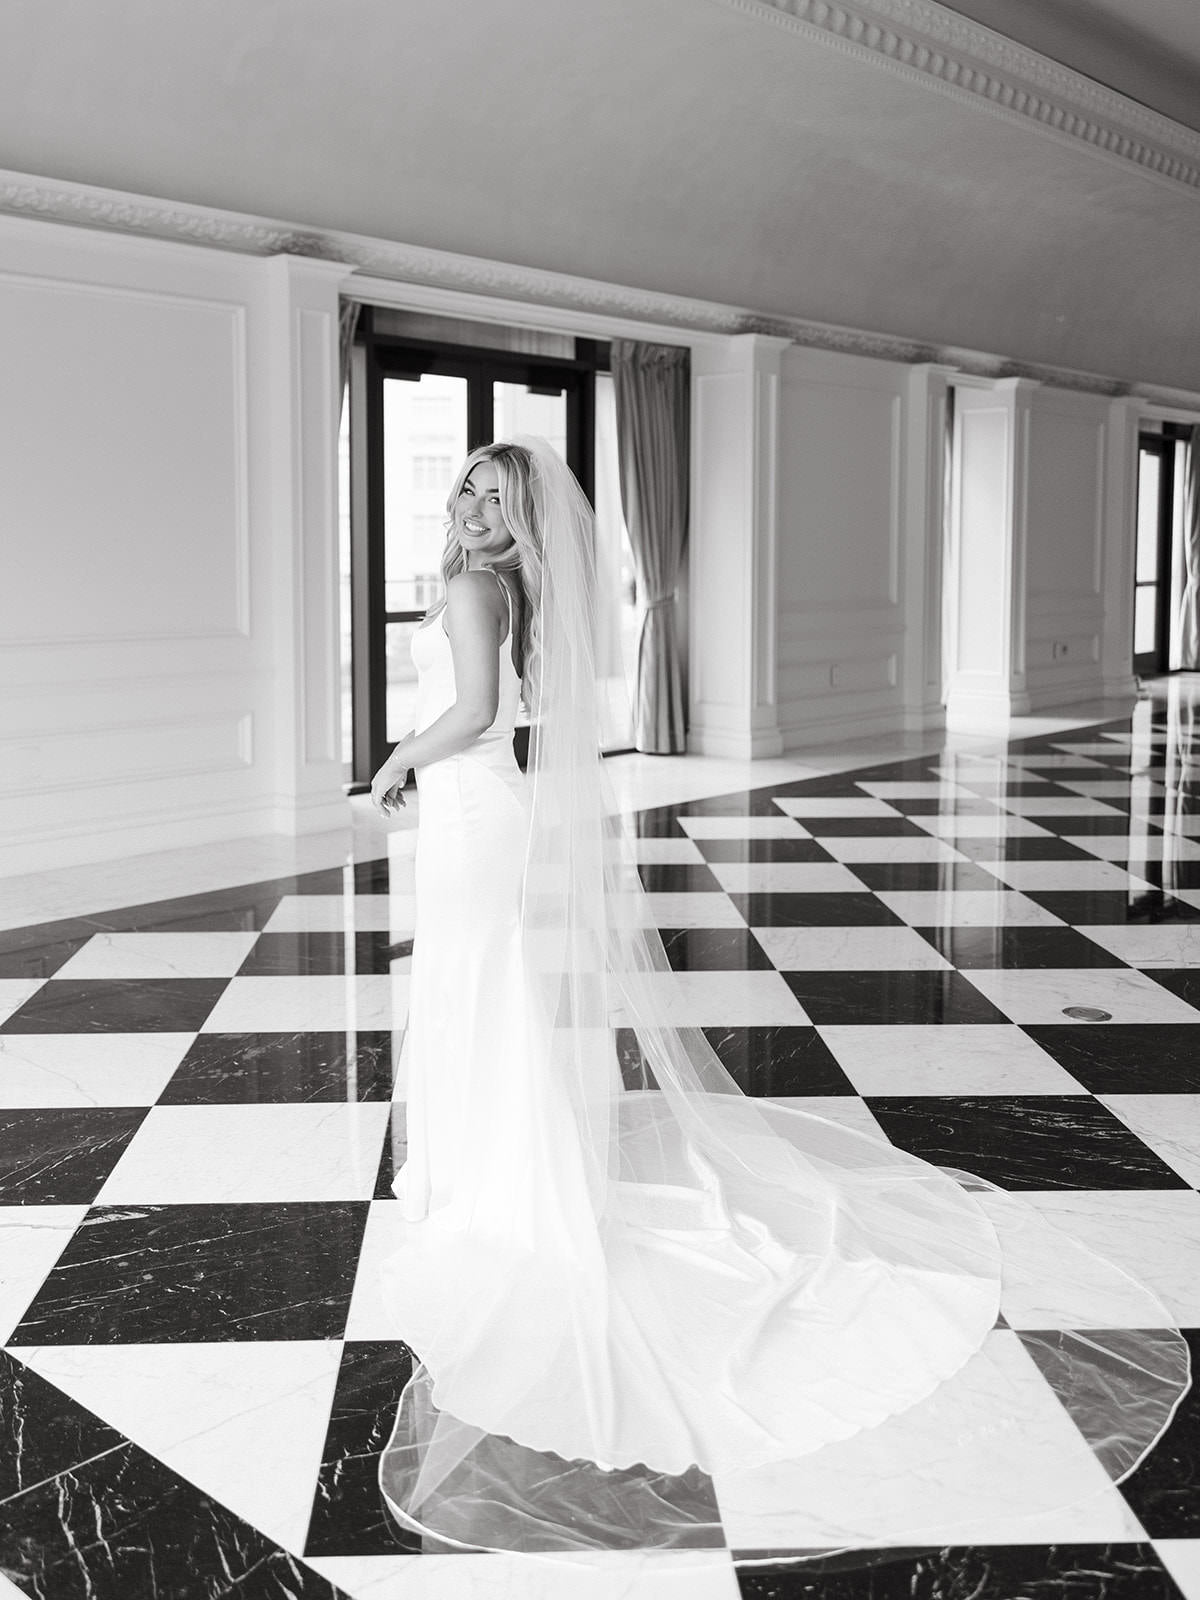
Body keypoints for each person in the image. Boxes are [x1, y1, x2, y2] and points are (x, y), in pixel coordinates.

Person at [369, 437, 1189, 1562]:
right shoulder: (502, 583)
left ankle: (486, 1180)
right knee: (481, 984)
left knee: (473, 984)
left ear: (520, 521)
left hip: (470, 806)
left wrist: (394, 757)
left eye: (494, 498)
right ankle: (484, 1166)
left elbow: (468, 712)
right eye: (465, 487)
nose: (470, 509)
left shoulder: (471, 586)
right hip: (484, 811)